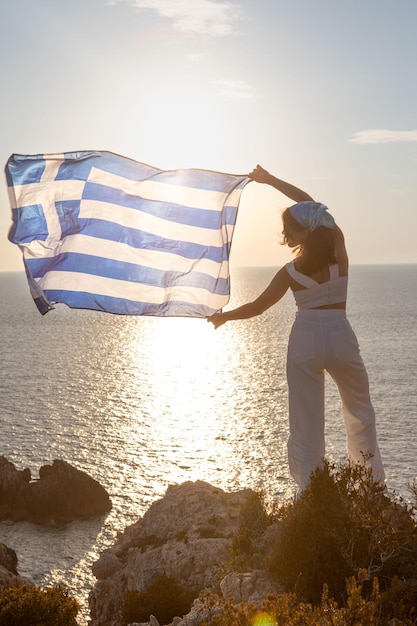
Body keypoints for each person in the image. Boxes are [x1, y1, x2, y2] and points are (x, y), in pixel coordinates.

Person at [208, 164, 385, 492]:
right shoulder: (337, 249)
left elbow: (258, 307)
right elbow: (310, 203)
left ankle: (311, 492)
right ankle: (369, 489)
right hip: (340, 336)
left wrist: (225, 317)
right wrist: (270, 179)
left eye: (289, 229)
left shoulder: (290, 271)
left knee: (306, 423)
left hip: (305, 339)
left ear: (304, 231)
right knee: (360, 411)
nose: (286, 235)